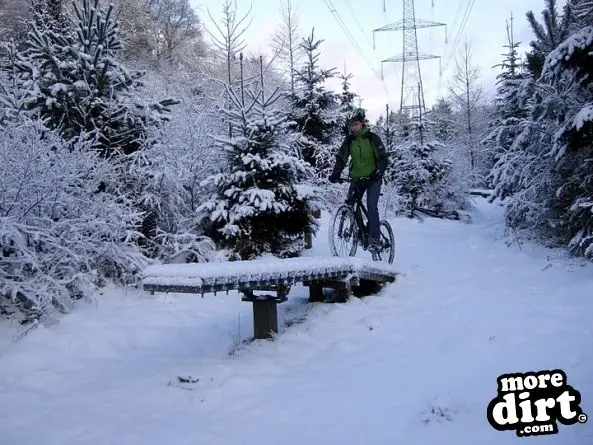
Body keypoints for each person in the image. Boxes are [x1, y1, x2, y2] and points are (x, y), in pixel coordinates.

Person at [329, 107, 389, 258]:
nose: (353, 127)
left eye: (355, 124)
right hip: (357, 179)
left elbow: (383, 158)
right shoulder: (350, 140)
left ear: (362, 123)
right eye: (351, 125)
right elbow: (341, 158)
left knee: (371, 206)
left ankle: (374, 239)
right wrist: (335, 174)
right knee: (350, 203)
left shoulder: (372, 138)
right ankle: (360, 234)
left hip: (373, 179)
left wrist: (378, 173)